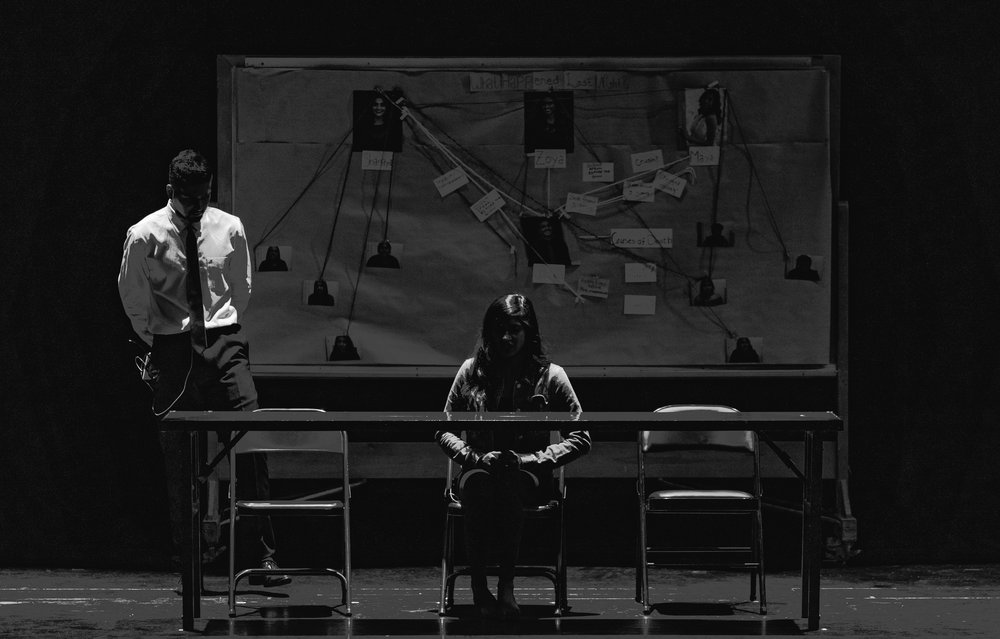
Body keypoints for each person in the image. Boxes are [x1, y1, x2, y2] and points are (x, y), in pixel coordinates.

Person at [118, 149, 289, 587]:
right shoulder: (145, 235)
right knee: (179, 459)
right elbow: (133, 298)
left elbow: (242, 288)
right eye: (189, 198)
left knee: (251, 445)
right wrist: (162, 339)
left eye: (204, 197)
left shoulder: (228, 227)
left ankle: (262, 558)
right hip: (174, 349)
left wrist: (219, 329)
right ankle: (187, 557)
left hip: (224, 344)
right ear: (171, 191)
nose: (198, 206)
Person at [435, 293, 591, 618]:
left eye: (515, 329)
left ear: (528, 332)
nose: (507, 338)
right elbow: (443, 428)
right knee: (479, 488)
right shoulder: (471, 372)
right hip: (479, 468)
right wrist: (474, 457)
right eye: (499, 329)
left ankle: (505, 587)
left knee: (507, 486)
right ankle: (480, 587)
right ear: (488, 331)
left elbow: (581, 436)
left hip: (528, 471)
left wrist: (530, 460)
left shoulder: (551, 376)